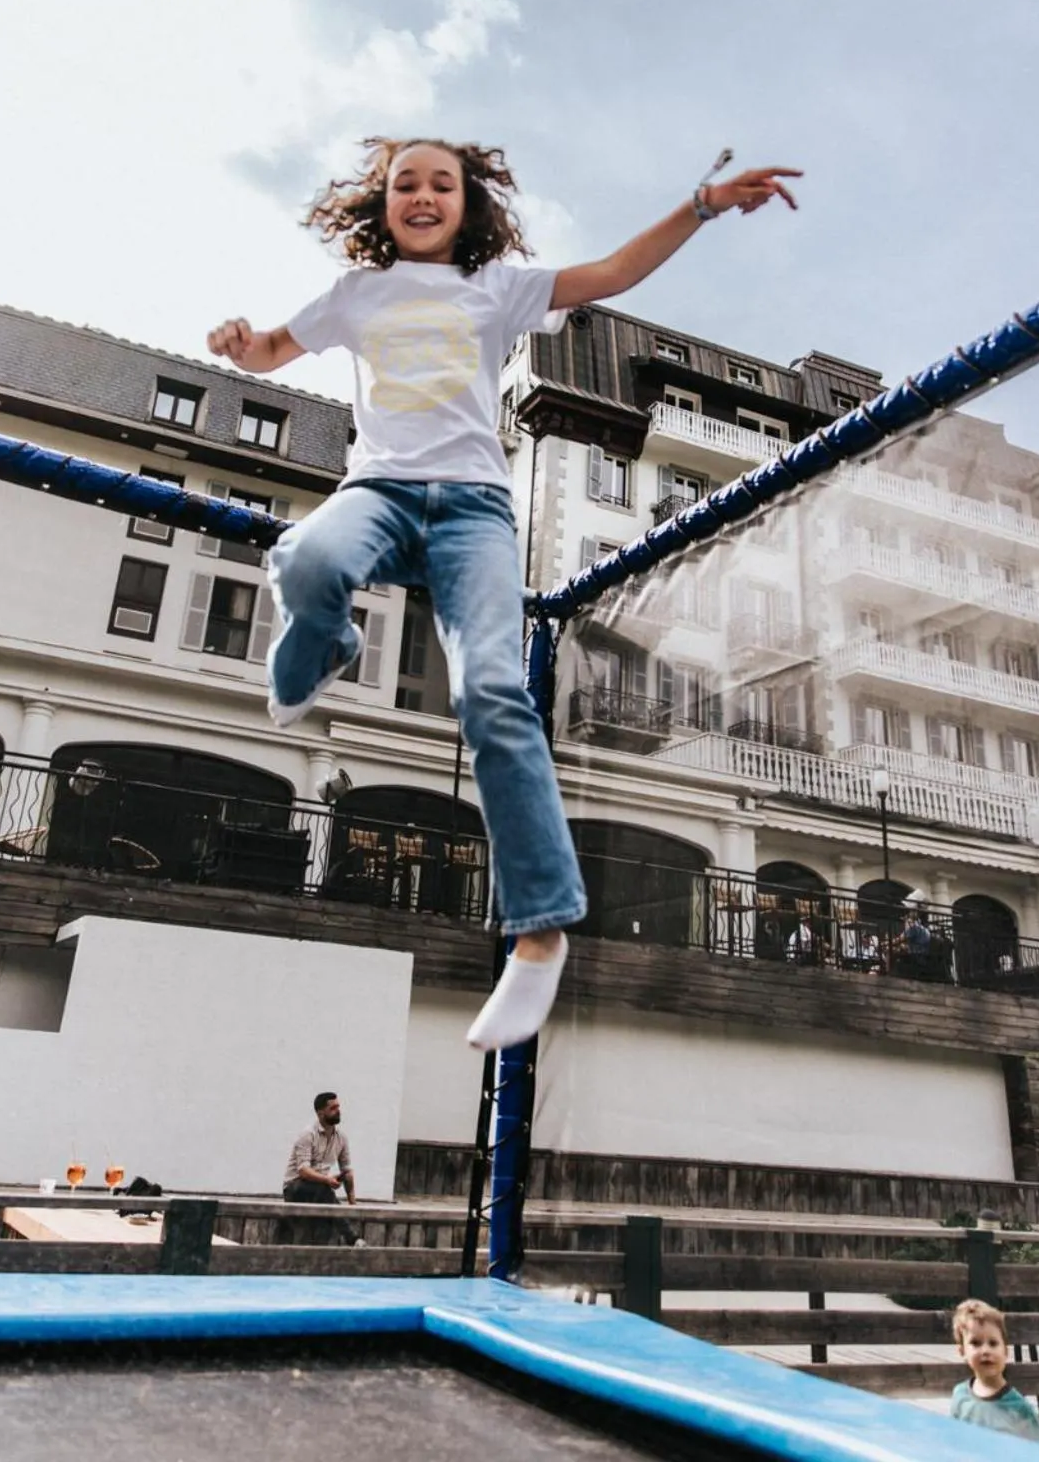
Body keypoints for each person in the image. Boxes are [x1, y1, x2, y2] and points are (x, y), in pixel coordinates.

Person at [208, 138, 799, 1049]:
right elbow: (272, 354)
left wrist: (704, 203)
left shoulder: (496, 287)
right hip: (378, 495)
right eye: (405, 183)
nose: (422, 195)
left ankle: (538, 932)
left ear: (466, 205)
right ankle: (327, 641)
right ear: (382, 205)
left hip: (473, 515)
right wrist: (242, 344)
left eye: (440, 183)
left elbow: (608, 273)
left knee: (491, 690)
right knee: (307, 561)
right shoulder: (354, 295)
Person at [950, 1300, 1039, 1443]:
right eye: (976, 1343)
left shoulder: (1018, 1407)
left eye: (993, 1343)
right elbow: (952, 1442)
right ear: (962, 1351)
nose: (985, 1350)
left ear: (1005, 1352)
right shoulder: (960, 1395)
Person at [283, 1091, 360, 1244]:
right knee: (324, 1190)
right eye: (333, 1108)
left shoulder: (341, 1138)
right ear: (320, 1113)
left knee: (325, 1216)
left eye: (339, 1106)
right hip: (295, 1188)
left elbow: (347, 1170)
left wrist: (353, 1204)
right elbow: (303, 1171)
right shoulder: (307, 1135)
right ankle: (352, 1238)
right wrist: (327, 1179)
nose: (338, 1110)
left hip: (320, 1189)